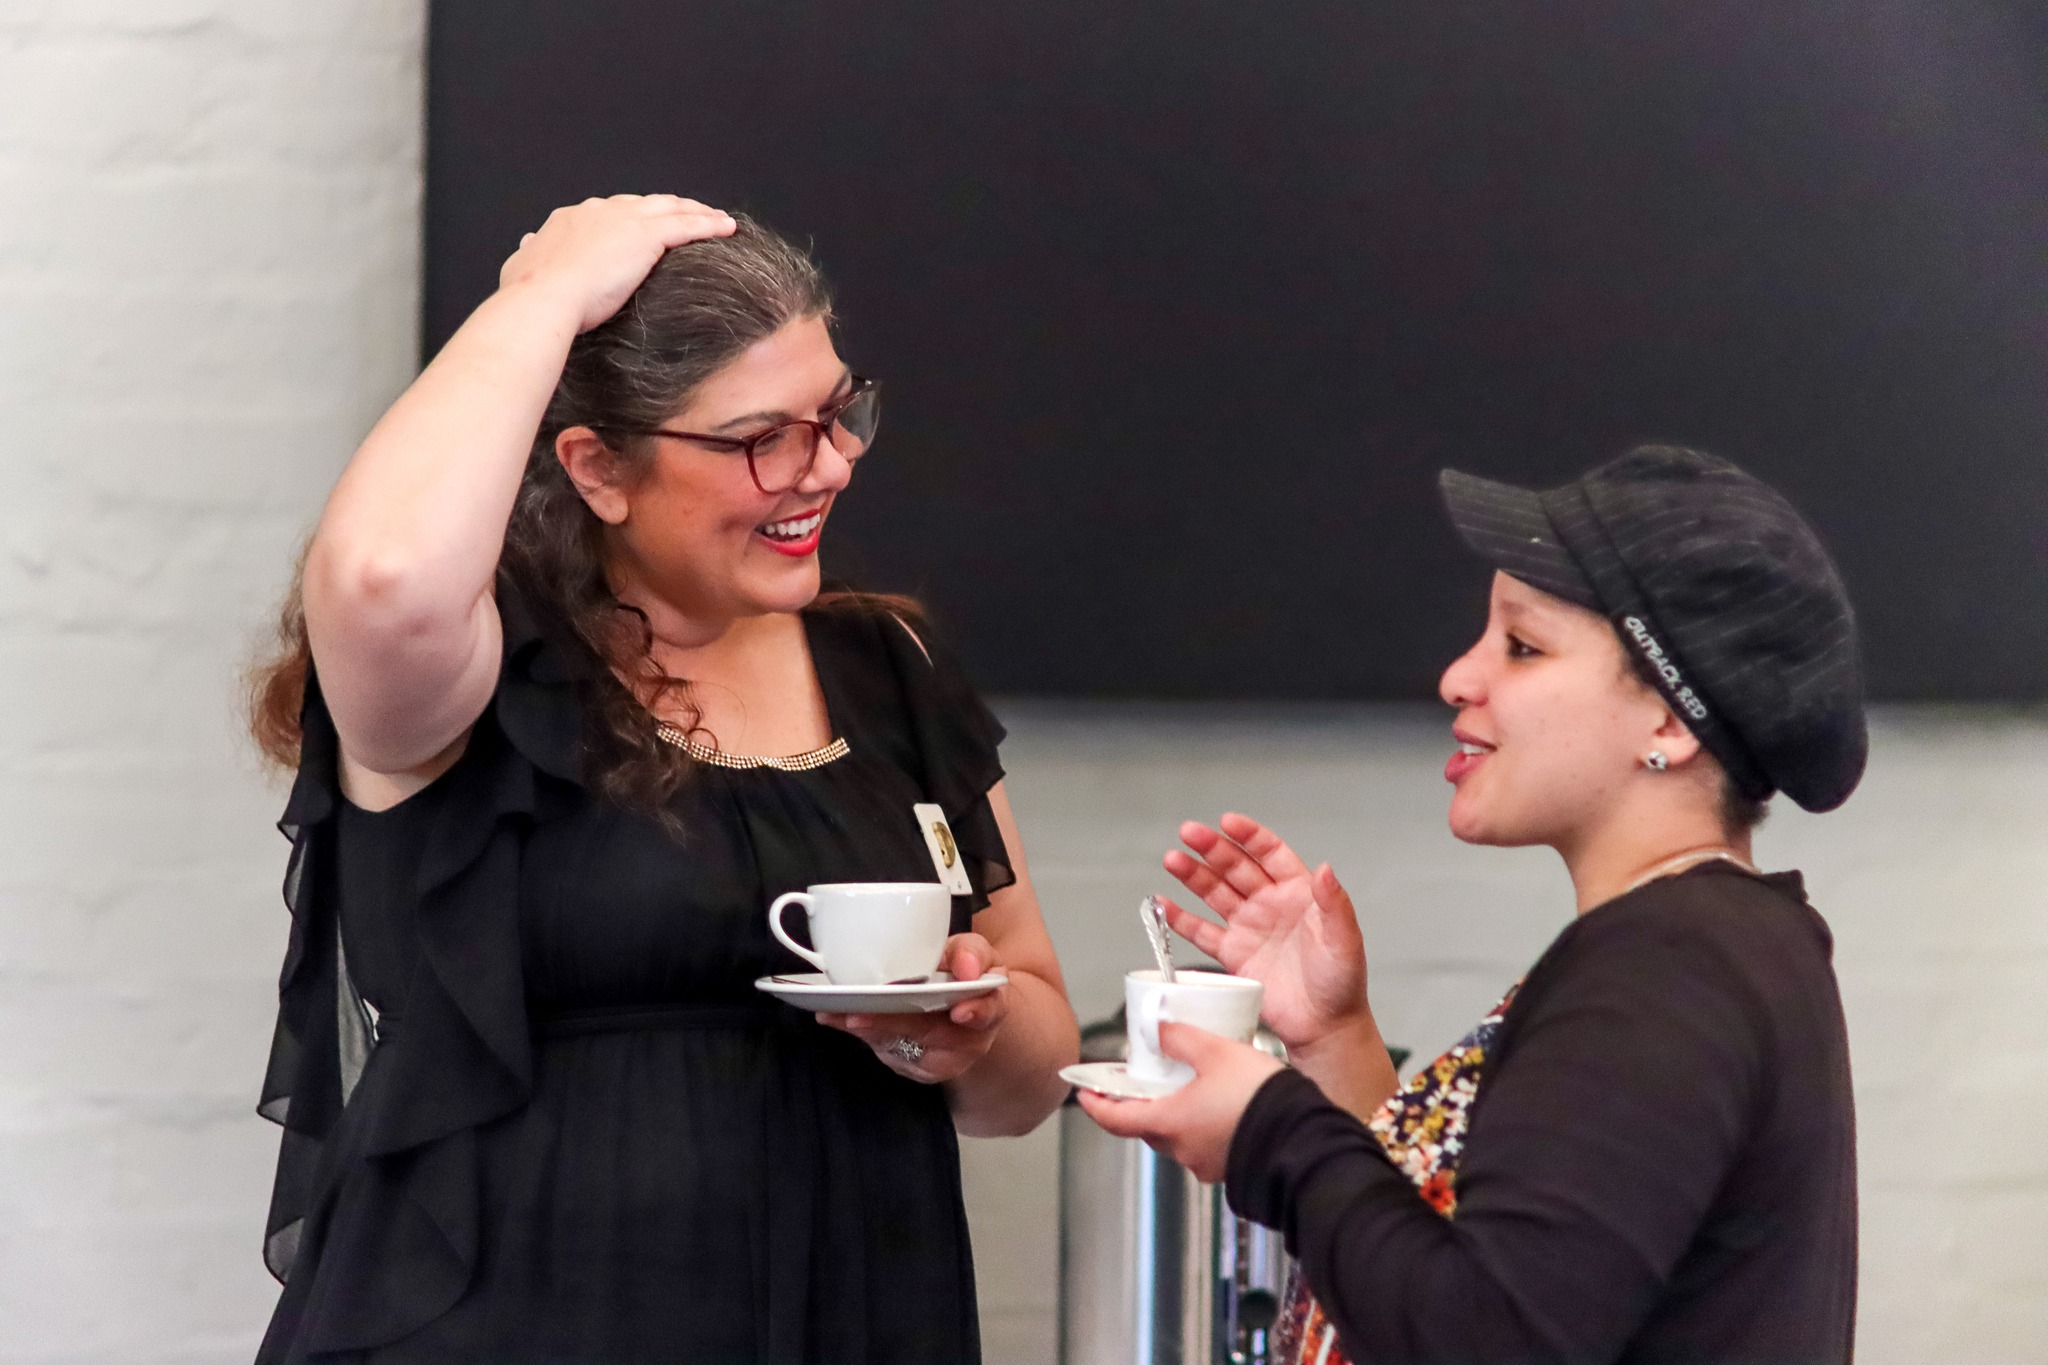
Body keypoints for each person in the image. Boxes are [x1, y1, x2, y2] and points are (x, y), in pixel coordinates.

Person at [247, 195, 1079, 1363]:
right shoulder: (477, 682)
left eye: (836, 414)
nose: (829, 466)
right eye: (761, 437)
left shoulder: (891, 668)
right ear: (598, 468)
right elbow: (383, 574)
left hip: (848, 1313)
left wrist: (965, 1035)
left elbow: (1028, 1075)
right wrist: (541, 296)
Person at [1080, 446, 1863, 1364]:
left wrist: (1269, 1129)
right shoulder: (1712, 940)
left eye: (1523, 646)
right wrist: (1333, 1037)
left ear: (1668, 720)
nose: (1458, 676)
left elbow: (1484, 1333)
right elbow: (1460, 1262)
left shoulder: (1672, 967)